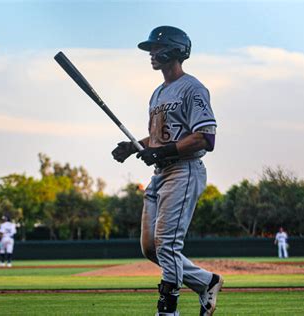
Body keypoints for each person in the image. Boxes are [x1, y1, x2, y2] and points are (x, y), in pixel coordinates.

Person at [112, 26, 222, 316]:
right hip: (160, 174)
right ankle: (206, 281)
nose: (151, 54)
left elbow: (205, 138)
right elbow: (160, 137)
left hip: (184, 171)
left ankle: (167, 310)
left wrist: (160, 152)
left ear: (174, 51)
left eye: (156, 49)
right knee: (150, 247)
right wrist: (134, 146)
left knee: (166, 243)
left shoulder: (193, 88)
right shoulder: (158, 93)